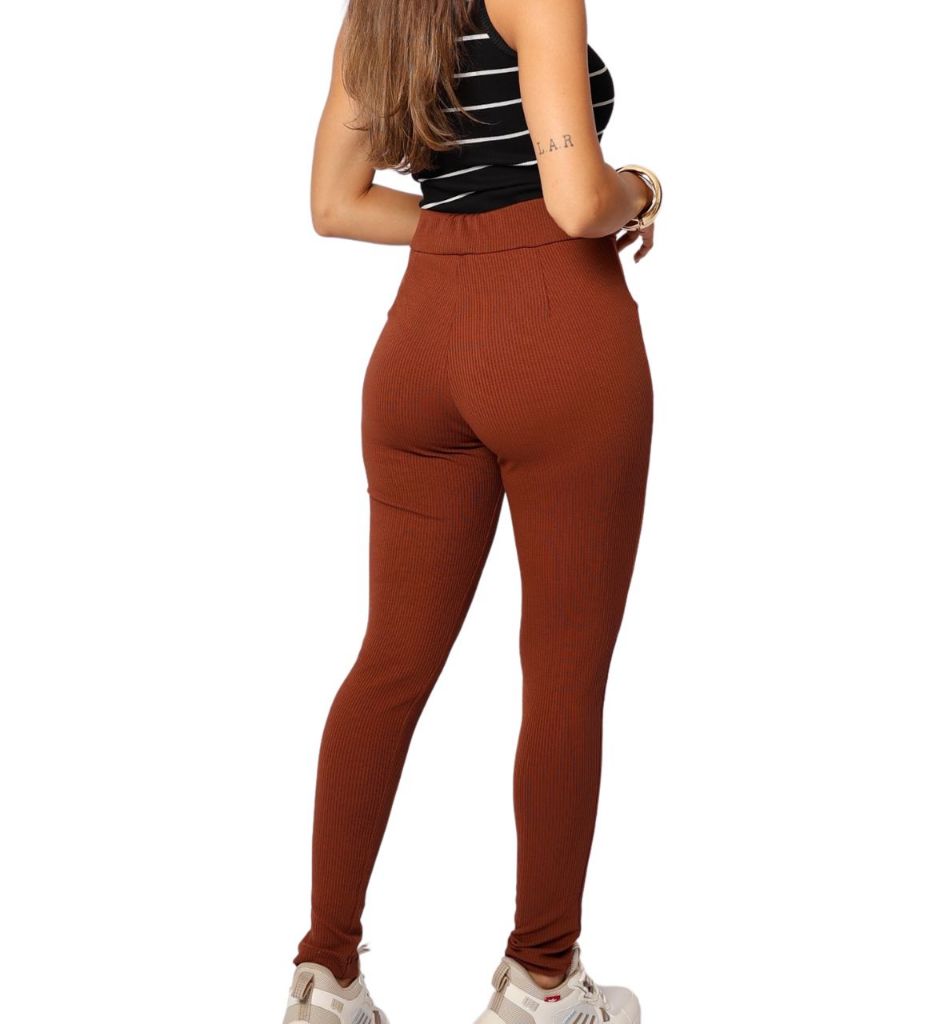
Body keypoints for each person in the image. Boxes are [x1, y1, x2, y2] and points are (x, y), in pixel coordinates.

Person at [281, 0, 661, 1020]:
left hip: (418, 349)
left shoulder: (380, 11)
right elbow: (578, 201)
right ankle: (543, 979)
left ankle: (325, 974)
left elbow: (335, 202)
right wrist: (644, 189)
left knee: (389, 663)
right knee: (564, 667)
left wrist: (464, 238)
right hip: (555, 332)